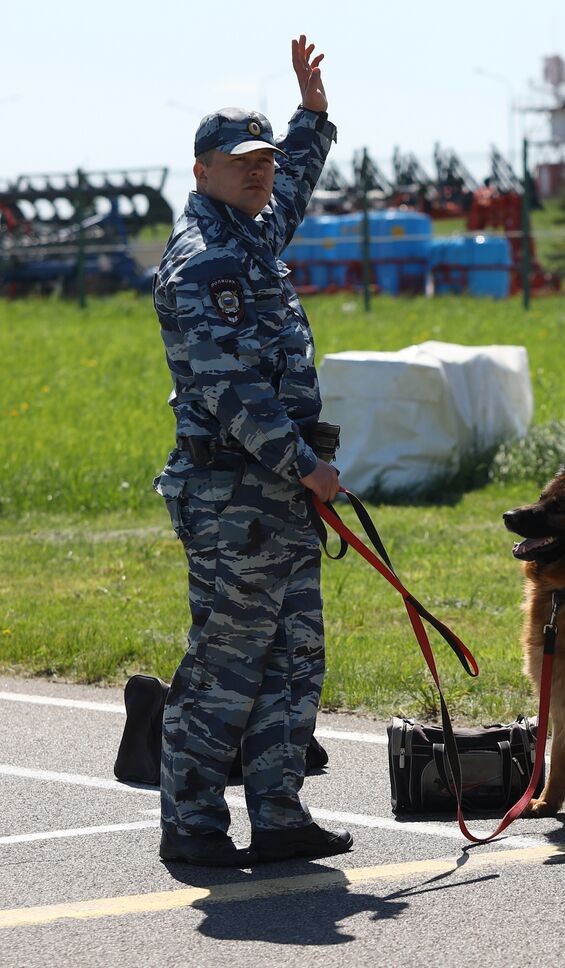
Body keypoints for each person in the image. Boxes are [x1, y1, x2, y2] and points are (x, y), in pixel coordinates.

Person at [152, 36, 347, 867]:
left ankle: (279, 814)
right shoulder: (206, 265)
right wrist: (306, 466)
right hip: (236, 493)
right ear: (200, 172)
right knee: (229, 659)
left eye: (264, 159)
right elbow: (234, 395)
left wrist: (312, 115)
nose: (260, 171)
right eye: (242, 163)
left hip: (275, 494)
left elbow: (293, 185)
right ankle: (192, 822)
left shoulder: (250, 238)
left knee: (293, 652)